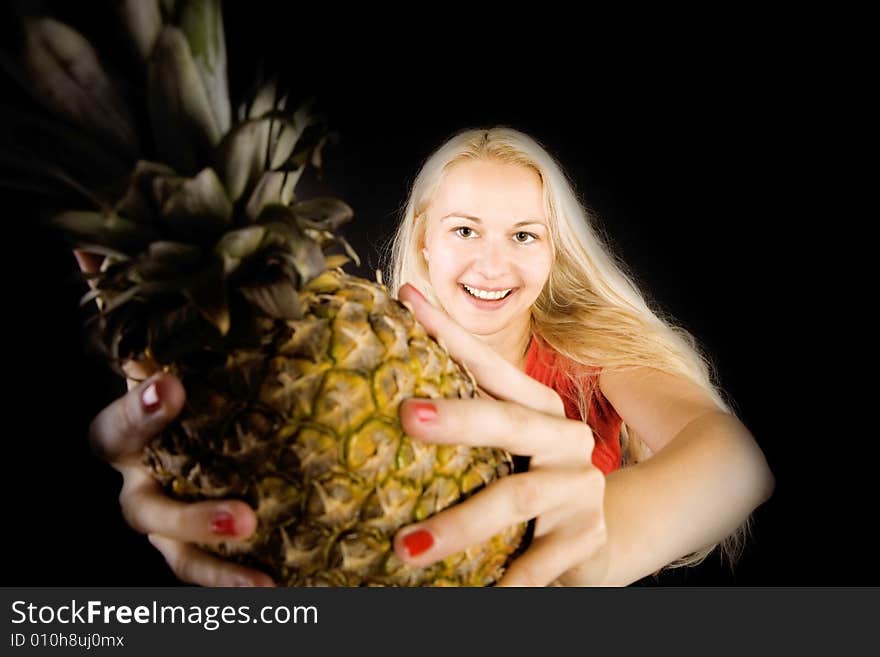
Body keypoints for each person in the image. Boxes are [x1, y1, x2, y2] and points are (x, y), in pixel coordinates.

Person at [83, 126, 775, 587]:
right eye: (466, 228)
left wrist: (568, 563)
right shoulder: (353, 359)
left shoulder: (588, 349)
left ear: (555, 249)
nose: (493, 263)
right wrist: (197, 447)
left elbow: (735, 460)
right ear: (424, 235)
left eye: (526, 236)